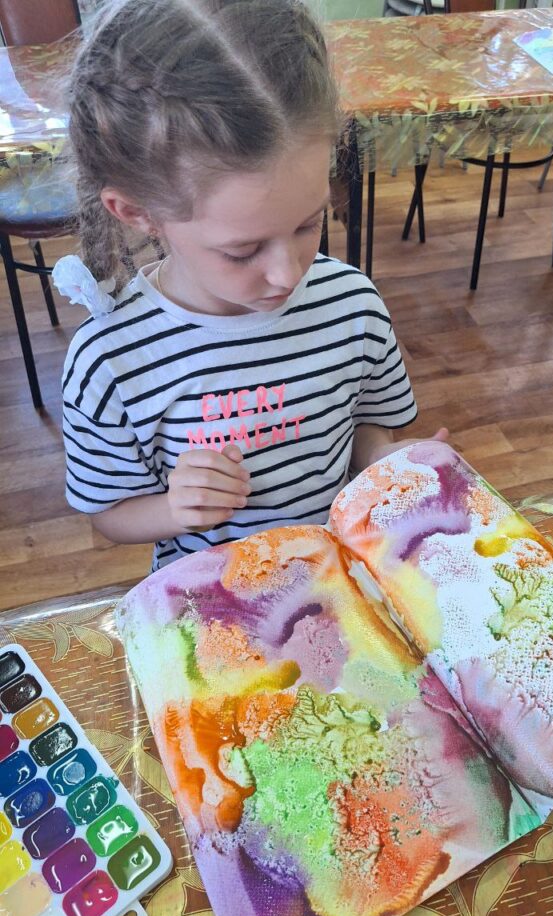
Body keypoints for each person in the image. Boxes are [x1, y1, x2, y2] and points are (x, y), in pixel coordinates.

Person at [57, 0, 444, 571]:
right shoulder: (111, 360)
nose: (288, 274)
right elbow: (109, 513)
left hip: (344, 572)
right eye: (242, 251)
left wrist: (386, 461)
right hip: (214, 591)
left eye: (309, 223)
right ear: (139, 212)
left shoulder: (351, 304)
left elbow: (368, 422)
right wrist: (173, 509)